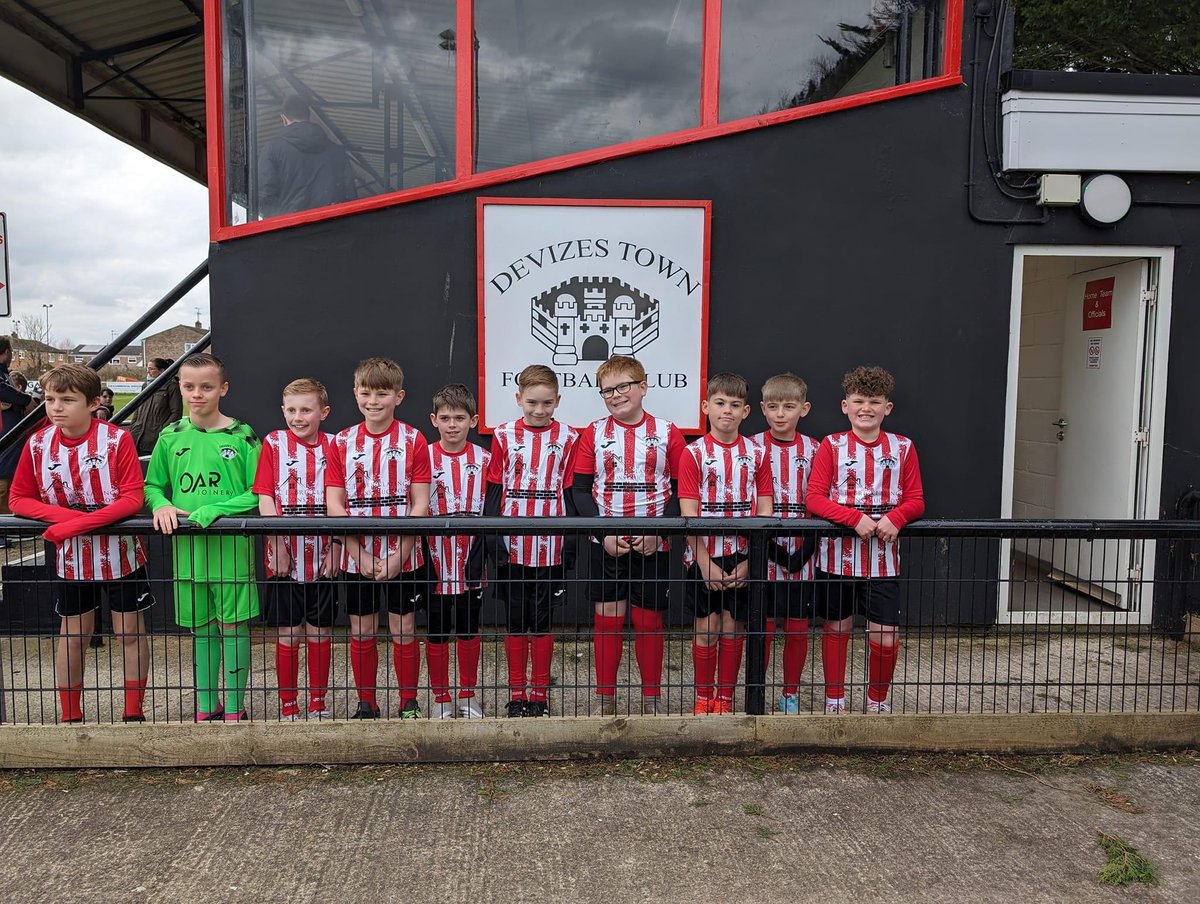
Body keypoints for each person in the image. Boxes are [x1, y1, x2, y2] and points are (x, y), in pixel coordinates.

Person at [7, 364, 153, 723]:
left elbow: (132, 499)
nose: (56, 407)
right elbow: (18, 499)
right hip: (70, 560)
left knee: (129, 633)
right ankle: (70, 714)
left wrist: (76, 525)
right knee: (73, 635)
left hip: (122, 557)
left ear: (92, 403)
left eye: (67, 400)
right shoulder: (37, 444)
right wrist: (70, 524)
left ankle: (133, 712)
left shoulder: (117, 440)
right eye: (50, 399)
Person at [144, 353, 261, 722]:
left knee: (233, 627)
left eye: (206, 387)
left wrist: (218, 509)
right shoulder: (170, 435)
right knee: (202, 630)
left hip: (231, 553)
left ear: (222, 389)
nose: (197, 394)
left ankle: (236, 709)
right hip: (189, 554)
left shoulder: (242, 435)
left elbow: (258, 491)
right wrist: (161, 505)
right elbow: (153, 486)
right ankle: (206, 706)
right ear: (179, 387)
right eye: (189, 386)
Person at [571, 355, 686, 715]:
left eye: (624, 386)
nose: (616, 395)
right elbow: (579, 490)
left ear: (643, 387)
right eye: (608, 390)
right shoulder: (593, 432)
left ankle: (651, 698)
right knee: (608, 619)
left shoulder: (668, 432)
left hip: (654, 542)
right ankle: (605, 698)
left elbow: (684, 489)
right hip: (607, 543)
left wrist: (659, 532)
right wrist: (603, 533)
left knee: (648, 620)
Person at [806, 365, 924, 714]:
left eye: (875, 401)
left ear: (887, 407)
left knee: (884, 636)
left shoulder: (903, 447)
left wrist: (896, 517)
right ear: (845, 406)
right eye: (858, 401)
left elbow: (916, 499)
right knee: (836, 629)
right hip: (836, 561)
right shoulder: (832, 445)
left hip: (882, 563)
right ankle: (834, 700)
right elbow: (814, 497)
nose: (866, 408)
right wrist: (854, 518)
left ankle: (877, 701)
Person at [325, 357, 431, 720]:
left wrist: (401, 554)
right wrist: (360, 555)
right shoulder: (341, 442)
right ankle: (366, 702)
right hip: (359, 557)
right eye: (366, 392)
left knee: (404, 627)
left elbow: (420, 503)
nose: (373, 400)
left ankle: (408, 702)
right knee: (362, 627)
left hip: (404, 556)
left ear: (398, 396)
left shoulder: (414, 438)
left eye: (382, 393)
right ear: (355, 394)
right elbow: (335, 505)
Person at [484, 364, 578, 718]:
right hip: (513, 546)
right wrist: (494, 539)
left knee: (542, 621)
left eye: (547, 403)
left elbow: (569, 491)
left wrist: (569, 544)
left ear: (557, 401)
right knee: (515, 620)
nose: (539, 410)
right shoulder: (504, 435)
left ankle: (538, 694)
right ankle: (517, 692)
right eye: (532, 403)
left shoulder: (569, 437)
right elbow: (495, 487)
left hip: (550, 546)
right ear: (518, 399)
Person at [678, 372, 773, 715]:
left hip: (742, 557)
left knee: (733, 630)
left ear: (746, 412)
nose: (727, 411)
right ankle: (704, 698)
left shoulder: (758, 454)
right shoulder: (693, 454)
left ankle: (726, 698)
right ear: (706, 407)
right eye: (720, 404)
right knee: (707, 628)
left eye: (735, 405)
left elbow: (765, 511)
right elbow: (688, 515)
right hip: (704, 558)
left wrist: (752, 562)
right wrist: (704, 562)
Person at [253, 378, 339, 720]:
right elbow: (265, 497)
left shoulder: (336, 445)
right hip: (284, 556)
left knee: (320, 633)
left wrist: (335, 546)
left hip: (324, 555)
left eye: (306, 410)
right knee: (288, 633)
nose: (298, 417)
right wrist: (278, 541)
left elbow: (340, 500)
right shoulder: (274, 443)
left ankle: (318, 703)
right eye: (291, 410)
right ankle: (288, 705)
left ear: (323, 412)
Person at [753, 373, 819, 715]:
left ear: (803, 409)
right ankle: (757, 690)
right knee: (761, 628)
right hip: (763, 556)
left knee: (796, 628)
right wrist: (772, 550)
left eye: (789, 407)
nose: (781, 414)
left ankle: (790, 692)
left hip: (802, 557)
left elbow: (822, 501)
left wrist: (802, 551)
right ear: (762, 409)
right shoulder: (751, 448)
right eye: (774, 407)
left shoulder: (817, 450)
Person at [424, 384, 490, 719]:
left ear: (473, 420)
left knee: (468, 629)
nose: (452, 425)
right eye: (446, 418)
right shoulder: (424, 458)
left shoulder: (485, 460)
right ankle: (440, 698)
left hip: (471, 565)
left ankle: (467, 694)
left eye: (460, 418)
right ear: (434, 419)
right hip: (434, 562)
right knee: (437, 631)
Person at [258, 94, 354, 219]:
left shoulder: (272, 149)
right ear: (309, 116)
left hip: (291, 231)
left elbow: (265, 197)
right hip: (332, 230)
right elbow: (350, 198)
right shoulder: (337, 152)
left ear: (284, 118)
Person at [0, 337, 35, 523]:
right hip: (5, 439)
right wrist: (25, 400)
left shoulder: (4, 374)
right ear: (6, 352)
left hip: (11, 438)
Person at [130, 358, 182, 455]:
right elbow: (138, 408)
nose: (148, 371)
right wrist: (133, 426)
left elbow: (176, 413)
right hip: (136, 437)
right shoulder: (145, 385)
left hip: (154, 440)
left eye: (151, 369)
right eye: (147, 368)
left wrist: (162, 431)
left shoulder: (171, 387)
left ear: (161, 370)